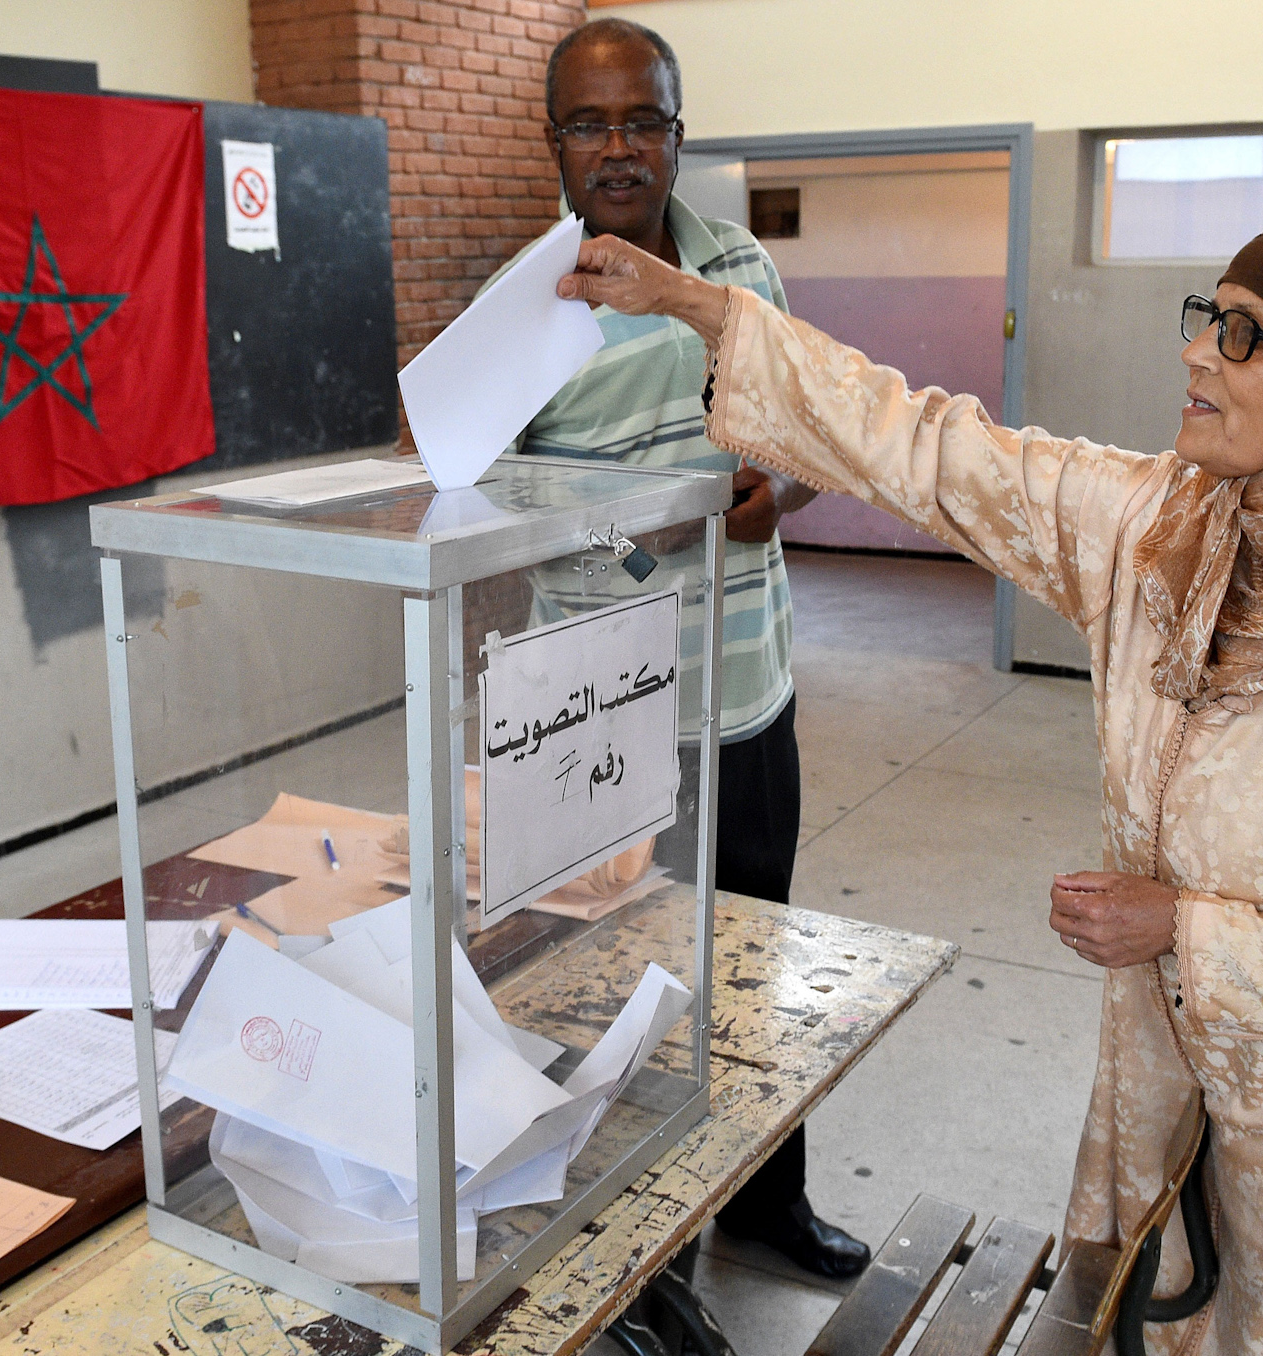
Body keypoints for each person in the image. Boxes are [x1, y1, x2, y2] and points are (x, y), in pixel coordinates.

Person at [559, 211, 1263, 1354]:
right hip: (1183, 1092)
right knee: (1157, 1320)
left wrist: (1184, 929)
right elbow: (931, 449)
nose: (1195, 353)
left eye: (1244, 334)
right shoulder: (1166, 536)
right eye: (1202, 317)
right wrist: (700, 306)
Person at [484, 18, 866, 1280]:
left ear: (676, 133)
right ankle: (635, 1264)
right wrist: (620, 525)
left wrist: (780, 497)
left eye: (640, 120)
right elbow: (472, 508)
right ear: (553, 143)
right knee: (602, 990)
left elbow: (810, 443)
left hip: (744, 698)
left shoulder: (741, 269)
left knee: (753, 963)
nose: (617, 148)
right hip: (590, 720)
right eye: (588, 124)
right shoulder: (519, 306)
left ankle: (763, 1200)